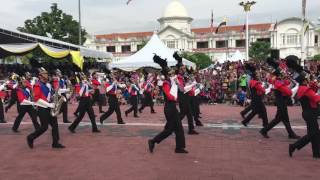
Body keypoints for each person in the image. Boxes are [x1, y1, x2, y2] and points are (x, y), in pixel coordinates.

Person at [148, 54, 187, 154]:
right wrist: (175, 96)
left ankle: (154, 141)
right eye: (170, 73)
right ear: (167, 75)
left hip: (173, 107)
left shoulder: (173, 82)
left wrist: (178, 84)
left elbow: (182, 90)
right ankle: (177, 147)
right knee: (175, 128)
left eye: (172, 72)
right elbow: (169, 96)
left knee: (172, 129)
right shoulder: (166, 83)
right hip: (169, 107)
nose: (172, 73)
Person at [27, 68, 65, 149]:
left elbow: (51, 95)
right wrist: (49, 104)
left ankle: (55, 142)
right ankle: (31, 137)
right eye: (45, 74)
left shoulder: (48, 85)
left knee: (55, 125)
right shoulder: (37, 85)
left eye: (47, 74)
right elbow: (36, 99)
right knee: (44, 127)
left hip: (49, 107)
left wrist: (54, 97)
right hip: (42, 108)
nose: (47, 75)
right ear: (40, 76)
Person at [260, 71, 299, 139]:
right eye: (281, 74)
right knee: (280, 119)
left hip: (281, 102)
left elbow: (287, 83)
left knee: (284, 119)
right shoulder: (278, 83)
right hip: (281, 102)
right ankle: (264, 130)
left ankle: (291, 134)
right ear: (279, 75)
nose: (283, 75)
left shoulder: (278, 81)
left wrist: (288, 78)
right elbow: (289, 92)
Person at [241, 64, 268, 129]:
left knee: (256, 111)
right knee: (262, 111)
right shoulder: (256, 83)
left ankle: (245, 121)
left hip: (255, 98)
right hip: (258, 98)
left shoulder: (252, 81)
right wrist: (264, 87)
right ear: (255, 76)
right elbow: (263, 90)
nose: (259, 76)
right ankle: (265, 125)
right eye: (258, 75)